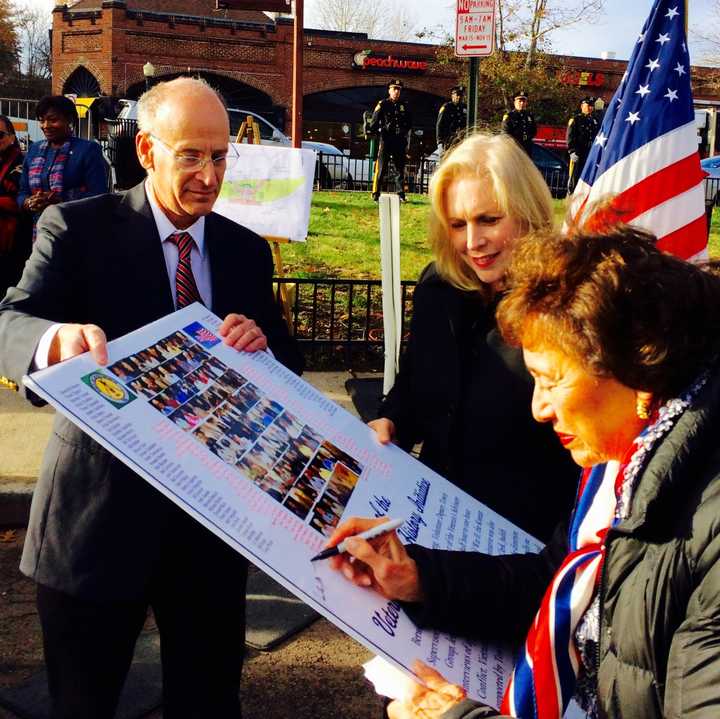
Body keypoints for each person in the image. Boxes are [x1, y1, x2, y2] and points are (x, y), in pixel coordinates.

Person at [0, 76, 303, 719]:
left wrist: (264, 349)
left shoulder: (243, 249)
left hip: (210, 527)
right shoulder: (77, 228)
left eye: (221, 156)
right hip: (95, 522)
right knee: (84, 703)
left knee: (208, 700)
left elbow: (287, 357)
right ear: (146, 150)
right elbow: (11, 322)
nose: (210, 175)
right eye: (191, 155)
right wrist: (57, 341)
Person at [329, 224, 720, 719]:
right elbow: (553, 582)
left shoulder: (705, 522)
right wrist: (419, 578)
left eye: (552, 380)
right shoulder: (621, 459)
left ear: (637, 370)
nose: (539, 408)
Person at [369, 133, 578, 542]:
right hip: (431, 526)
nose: (472, 242)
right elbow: (415, 379)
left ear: (527, 212)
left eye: (489, 219)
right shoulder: (438, 286)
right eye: (457, 224)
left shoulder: (563, 304)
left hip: (525, 545)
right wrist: (391, 420)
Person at [18, 95, 107, 238]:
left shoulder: (87, 150)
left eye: (53, 120)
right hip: (41, 232)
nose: (46, 126)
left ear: (69, 120)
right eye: (42, 120)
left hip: (76, 232)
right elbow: (22, 192)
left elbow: (99, 195)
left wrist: (59, 199)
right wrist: (30, 202)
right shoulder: (34, 149)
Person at [369, 79, 412, 202]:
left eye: (399, 89)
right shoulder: (383, 104)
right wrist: (378, 132)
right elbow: (374, 122)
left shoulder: (404, 105)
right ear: (389, 90)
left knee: (400, 169)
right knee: (381, 168)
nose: (396, 92)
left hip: (399, 140)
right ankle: (376, 193)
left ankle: (401, 194)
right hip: (386, 140)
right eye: (394, 89)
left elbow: (409, 123)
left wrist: (404, 133)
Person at [0, 115, 25, 297]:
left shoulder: (21, 162)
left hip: (11, 240)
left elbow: (18, 200)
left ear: (12, 136)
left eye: (0, 135)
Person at [566, 96, 599, 194]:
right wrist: (572, 151)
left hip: (589, 153)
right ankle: (571, 194)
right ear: (582, 106)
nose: (590, 108)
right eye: (588, 105)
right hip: (578, 152)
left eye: (592, 106)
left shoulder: (594, 121)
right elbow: (570, 137)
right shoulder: (576, 120)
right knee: (575, 176)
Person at [501, 92, 536, 156]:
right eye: (519, 101)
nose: (522, 103)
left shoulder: (529, 116)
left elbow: (533, 131)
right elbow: (505, 133)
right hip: (514, 149)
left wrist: (527, 140)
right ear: (515, 103)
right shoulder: (509, 116)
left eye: (524, 101)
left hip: (527, 149)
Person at [436, 85, 467, 154]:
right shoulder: (447, 107)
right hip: (448, 141)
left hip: (460, 141)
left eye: (461, 95)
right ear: (453, 96)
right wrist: (439, 142)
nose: (459, 97)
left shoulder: (464, 108)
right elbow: (439, 125)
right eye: (457, 95)